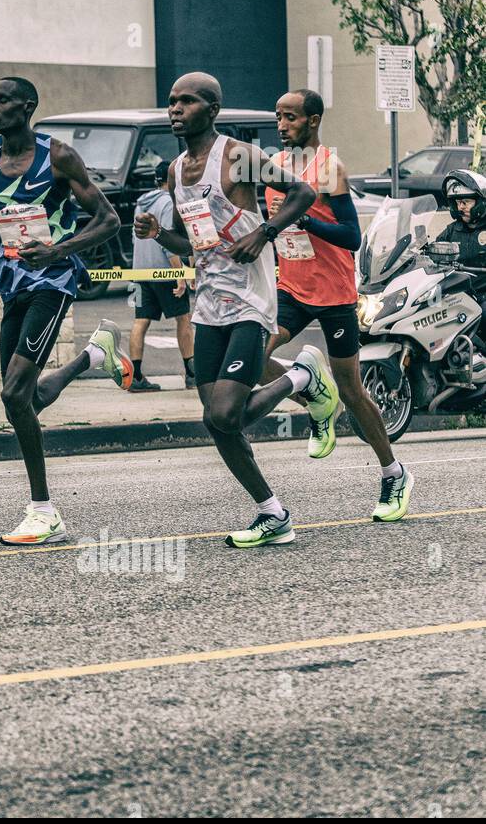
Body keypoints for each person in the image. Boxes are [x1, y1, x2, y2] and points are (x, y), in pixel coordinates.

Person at [134, 72, 339, 549]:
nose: (176, 109)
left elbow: (303, 194)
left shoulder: (239, 155)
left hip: (250, 298)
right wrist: (157, 235)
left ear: (213, 109)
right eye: (171, 102)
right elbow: (195, 242)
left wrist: (264, 232)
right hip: (208, 303)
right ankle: (273, 514)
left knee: (227, 414)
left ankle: (302, 377)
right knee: (215, 420)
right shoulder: (174, 171)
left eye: (187, 101)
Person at [0, 77, 128, 547]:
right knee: (23, 401)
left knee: (14, 396)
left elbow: (108, 220)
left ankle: (43, 510)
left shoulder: (57, 156)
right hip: (14, 285)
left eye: (3, 100)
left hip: (53, 282)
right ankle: (93, 357)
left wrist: (58, 251)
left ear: (28, 105)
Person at [261, 89, 412, 522]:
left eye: (290, 118)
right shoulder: (274, 167)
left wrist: (305, 218)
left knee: (353, 390)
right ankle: (312, 393)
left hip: (334, 294)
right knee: (253, 354)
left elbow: (351, 236)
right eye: (278, 116)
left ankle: (393, 472)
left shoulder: (329, 168)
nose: (281, 124)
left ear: (312, 121)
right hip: (291, 288)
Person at [128, 156, 195, 391]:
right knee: (184, 319)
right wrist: (181, 275)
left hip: (140, 271)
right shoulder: (168, 202)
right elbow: (169, 241)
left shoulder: (141, 203)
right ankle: (191, 373)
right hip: (164, 272)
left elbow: (135, 236)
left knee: (140, 321)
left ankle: (135, 377)